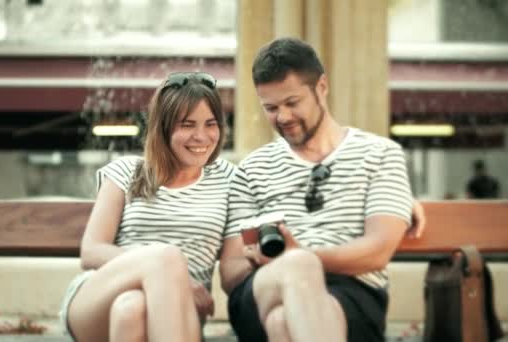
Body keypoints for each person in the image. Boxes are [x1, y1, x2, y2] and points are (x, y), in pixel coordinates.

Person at [219, 37, 425, 342]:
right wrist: (266, 259)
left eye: (292, 103)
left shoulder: (380, 155)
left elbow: (378, 251)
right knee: (295, 269)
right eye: (271, 108)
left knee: (281, 322)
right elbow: (231, 272)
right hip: (262, 288)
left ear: (322, 87)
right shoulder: (252, 169)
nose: (283, 117)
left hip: (353, 294)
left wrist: (301, 254)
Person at [59, 71, 236, 342]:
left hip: (178, 312)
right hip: (97, 300)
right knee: (165, 258)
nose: (201, 136)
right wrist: (174, 275)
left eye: (210, 124)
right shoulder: (126, 171)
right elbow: (92, 251)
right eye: (187, 125)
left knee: (130, 310)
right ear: (163, 127)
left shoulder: (230, 179)